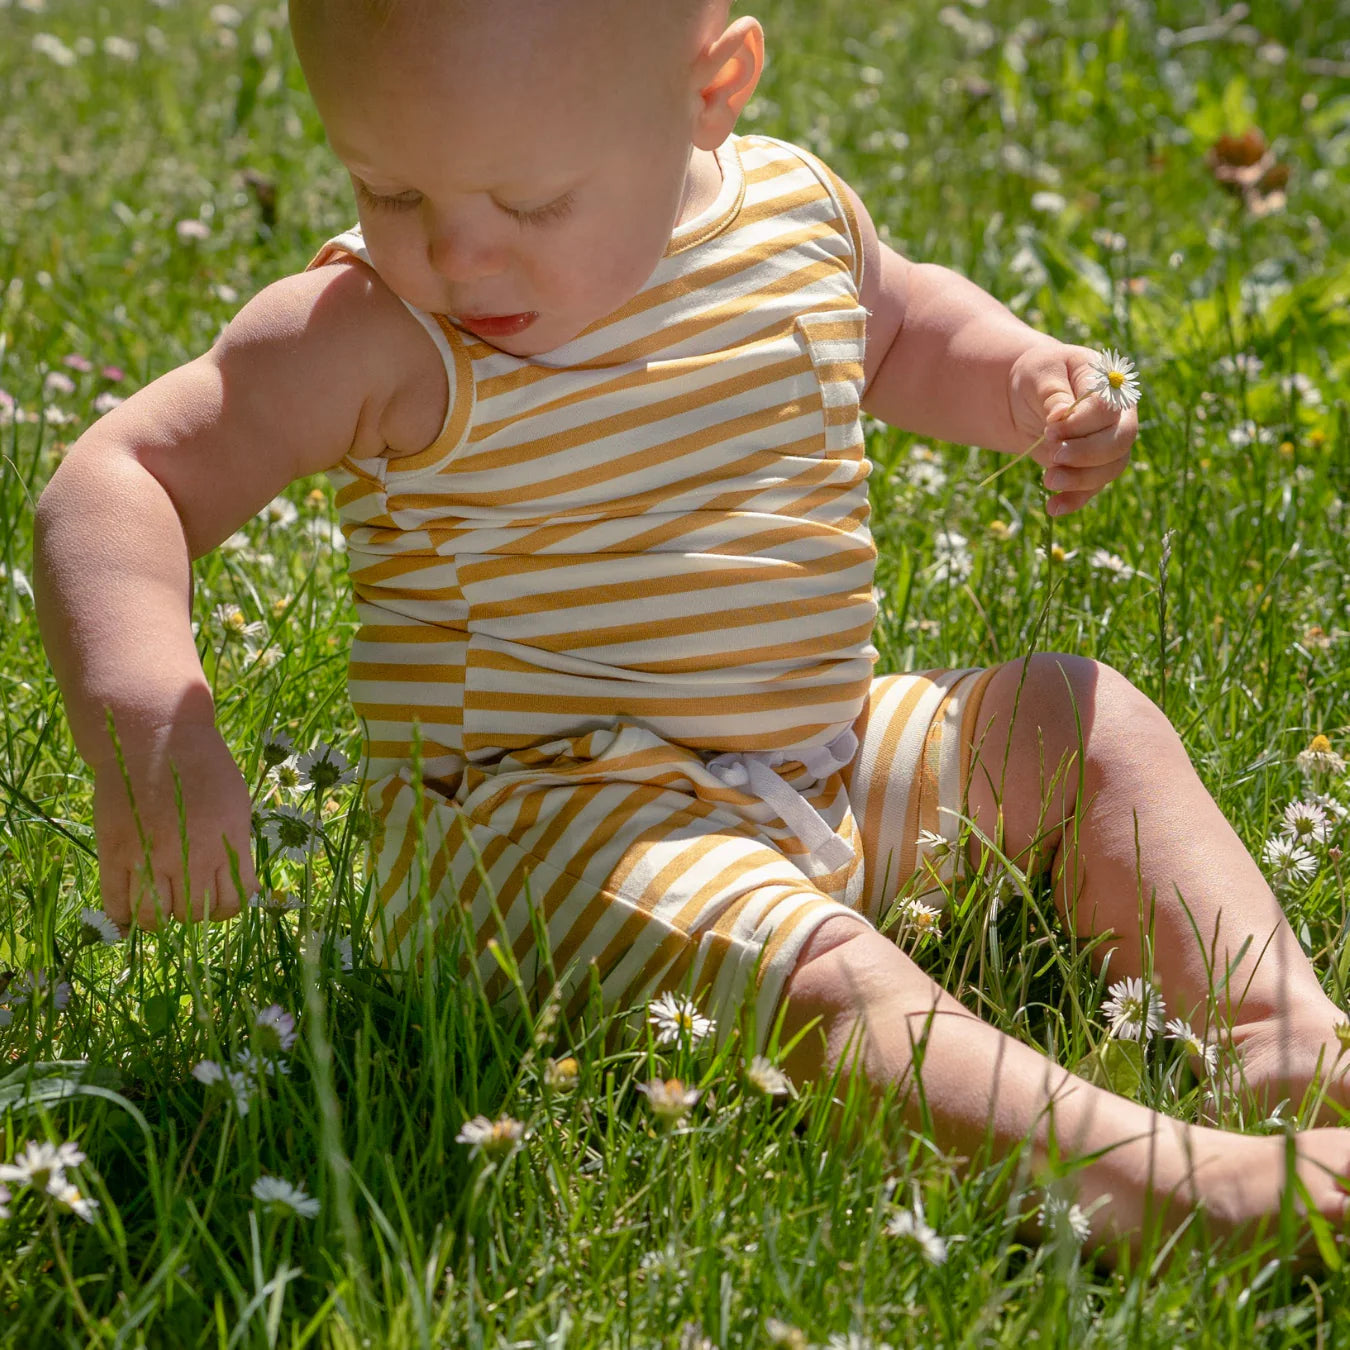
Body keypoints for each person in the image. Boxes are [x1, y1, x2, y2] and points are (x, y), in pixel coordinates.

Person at [32, 0, 1350, 1264]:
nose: (458, 252)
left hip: (815, 762)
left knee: (1071, 714)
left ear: (711, 92)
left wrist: (1019, 376)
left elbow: (898, 322)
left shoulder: (791, 214)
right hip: (544, 842)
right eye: (391, 189)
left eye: (532, 201)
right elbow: (120, 477)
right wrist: (151, 721)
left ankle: (1275, 1030)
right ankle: (1145, 1182)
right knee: (831, 979)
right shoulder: (378, 330)